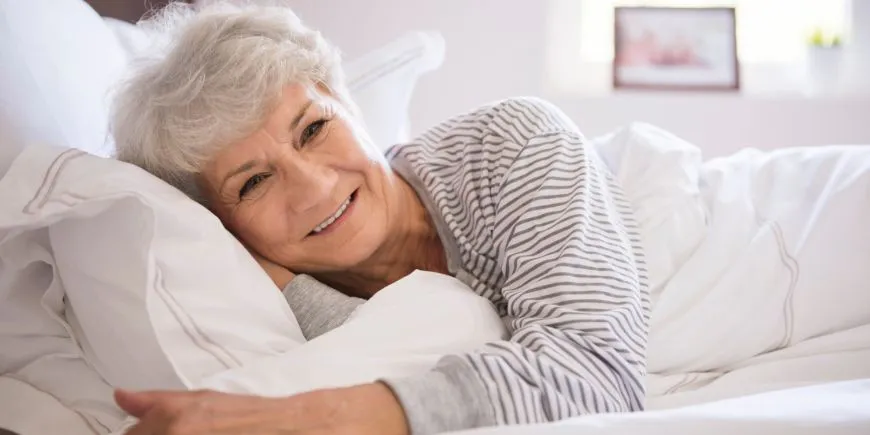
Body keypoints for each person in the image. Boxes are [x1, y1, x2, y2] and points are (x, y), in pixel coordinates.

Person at [110, 2, 650, 434]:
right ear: (222, 226)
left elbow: (595, 374)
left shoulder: (514, 143)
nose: (315, 188)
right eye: (253, 182)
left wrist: (299, 419)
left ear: (348, 105)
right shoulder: (253, 292)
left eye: (314, 129)